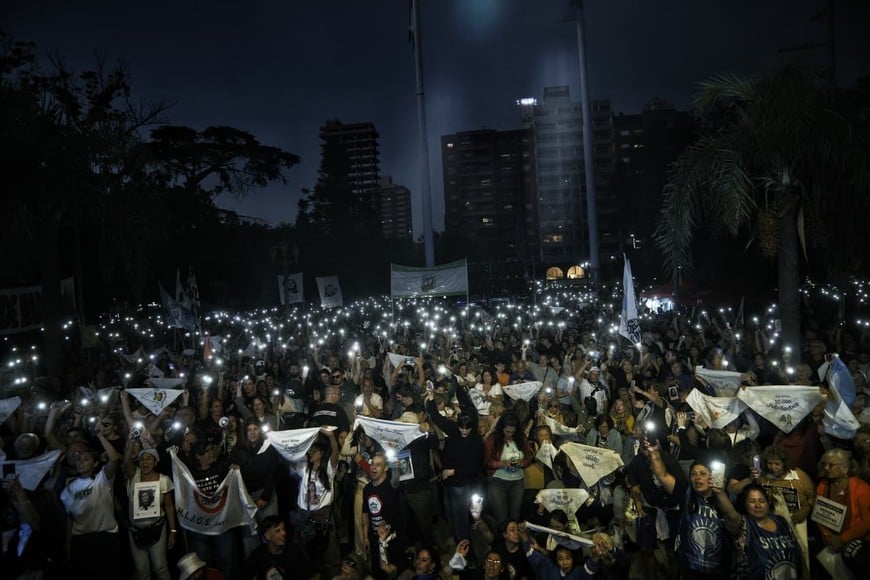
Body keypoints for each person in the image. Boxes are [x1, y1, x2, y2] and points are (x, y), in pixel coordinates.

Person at [425, 383, 484, 545]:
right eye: (461, 428)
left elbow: (475, 467)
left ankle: (463, 547)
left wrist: (453, 471)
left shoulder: (477, 442)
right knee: (450, 515)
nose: (464, 432)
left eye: (467, 429)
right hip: (449, 484)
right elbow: (436, 417)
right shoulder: (454, 429)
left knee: (460, 519)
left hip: (462, 485)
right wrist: (431, 397)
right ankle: (456, 542)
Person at [59, 433, 122, 580]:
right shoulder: (70, 488)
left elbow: (114, 458)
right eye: (79, 460)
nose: (81, 462)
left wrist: (100, 435)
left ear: (95, 463)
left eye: (86, 459)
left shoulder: (102, 480)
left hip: (106, 538)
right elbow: (70, 520)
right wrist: (69, 545)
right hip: (82, 540)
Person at [716, 483, 803, 580]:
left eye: (761, 501)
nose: (757, 505)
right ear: (745, 504)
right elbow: (730, 514)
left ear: (768, 503)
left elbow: (799, 555)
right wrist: (720, 493)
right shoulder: (743, 525)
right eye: (752, 501)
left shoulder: (781, 522)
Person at [288, 428, 341, 577]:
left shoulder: (329, 470)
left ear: (322, 454)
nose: (311, 453)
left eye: (315, 450)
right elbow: (290, 458)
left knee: (329, 552)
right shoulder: (304, 467)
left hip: (322, 517)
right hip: (303, 515)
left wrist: (331, 436)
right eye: (310, 450)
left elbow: (335, 452)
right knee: (302, 552)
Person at [122, 443, 178, 580]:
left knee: (160, 567)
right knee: (142, 570)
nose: (145, 462)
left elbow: (169, 506)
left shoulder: (164, 480)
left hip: (157, 528)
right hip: (136, 530)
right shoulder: (134, 477)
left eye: (149, 459)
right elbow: (126, 462)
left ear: (155, 462)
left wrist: (173, 531)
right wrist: (130, 440)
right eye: (142, 459)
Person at [230, 417, 282, 558]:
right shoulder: (238, 451)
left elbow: (273, 472)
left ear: (259, 431)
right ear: (245, 433)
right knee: (250, 537)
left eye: (255, 429)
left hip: (266, 495)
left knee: (272, 534)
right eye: (249, 430)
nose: (252, 433)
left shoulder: (268, 447)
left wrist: (265, 496)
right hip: (246, 498)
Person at [758, 444, 815, 572]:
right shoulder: (764, 477)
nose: (773, 468)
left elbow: (813, 497)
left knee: (802, 553)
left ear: (785, 463)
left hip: (797, 520)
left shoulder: (799, 476)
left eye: (777, 464)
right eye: (770, 463)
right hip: (772, 521)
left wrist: (805, 511)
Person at [815, 448, 870, 576]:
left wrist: (843, 539)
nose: (826, 468)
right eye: (824, 464)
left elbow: (867, 521)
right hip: (831, 541)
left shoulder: (862, 489)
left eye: (831, 465)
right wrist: (828, 537)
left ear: (845, 469)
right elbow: (819, 516)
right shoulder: (823, 486)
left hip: (858, 541)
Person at [673, 460, 732, 579]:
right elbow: (662, 475)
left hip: (719, 571)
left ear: (713, 476)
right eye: (693, 474)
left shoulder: (727, 499)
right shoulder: (687, 495)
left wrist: (720, 494)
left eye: (703, 474)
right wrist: (654, 454)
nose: (697, 477)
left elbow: (734, 520)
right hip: (690, 568)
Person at [483, 412, 533, 529]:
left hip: (517, 481)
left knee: (515, 517)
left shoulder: (521, 438)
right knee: (501, 518)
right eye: (507, 432)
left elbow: (529, 456)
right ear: (501, 429)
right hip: (497, 481)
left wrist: (522, 463)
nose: (510, 434)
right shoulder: (493, 439)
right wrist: (500, 464)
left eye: (512, 432)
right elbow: (486, 461)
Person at [361, 452, 404, 579]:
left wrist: (396, 467)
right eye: (372, 464)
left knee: (391, 572)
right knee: (377, 572)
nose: (373, 467)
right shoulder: (367, 489)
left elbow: (396, 480)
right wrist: (365, 537)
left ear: (385, 468)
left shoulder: (391, 485)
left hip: (393, 540)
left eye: (378, 465)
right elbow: (365, 514)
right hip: (374, 539)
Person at [241, 514, 314, 580]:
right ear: (267, 535)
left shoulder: (294, 551)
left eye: (284, 529)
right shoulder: (257, 556)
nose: (284, 533)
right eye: (278, 531)